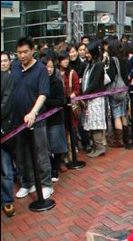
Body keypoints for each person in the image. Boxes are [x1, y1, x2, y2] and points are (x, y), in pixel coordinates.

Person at [11, 36, 54, 200]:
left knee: (40, 152)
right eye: (19, 52)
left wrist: (34, 112)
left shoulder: (40, 69)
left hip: (37, 119)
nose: (22, 55)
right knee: (21, 154)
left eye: (25, 52)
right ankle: (27, 183)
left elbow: (43, 93)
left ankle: (46, 184)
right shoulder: (15, 67)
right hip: (18, 120)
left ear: (32, 51)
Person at [40, 56, 68, 183]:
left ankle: (55, 168)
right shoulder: (39, 81)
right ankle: (50, 167)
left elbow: (60, 101)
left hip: (55, 118)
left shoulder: (56, 81)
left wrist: (45, 101)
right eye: (47, 67)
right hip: (42, 119)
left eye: (51, 67)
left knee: (56, 145)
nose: (49, 69)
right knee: (45, 146)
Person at [81, 41, 108, 158]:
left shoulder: (98, 65)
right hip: (90, 98)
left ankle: (100, 147)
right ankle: (96, 146)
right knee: (91, 123)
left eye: (88, 52)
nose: (86, 55)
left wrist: (84, 94)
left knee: (95, 123)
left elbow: (95, 83)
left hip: (95, 98)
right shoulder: (90, 64)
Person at [1, 62, 15, 217]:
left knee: (5, 169)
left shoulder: (5, 79)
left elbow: (5, 106)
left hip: (3, 130)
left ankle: (7, 200)